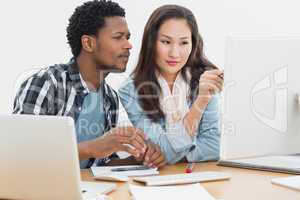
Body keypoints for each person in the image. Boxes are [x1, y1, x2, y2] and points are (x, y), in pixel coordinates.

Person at [13, 0, 165, 168]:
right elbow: (20, 152)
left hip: (86, 191)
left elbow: (100, 163)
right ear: (88, 43)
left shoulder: (110, 98)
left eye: (128, 38)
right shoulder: (47, 83)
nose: (128, 45)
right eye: (118, 37)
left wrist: (139, 159)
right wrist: (92, 148)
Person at [118, 4, 223, 164]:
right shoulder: (131, 91)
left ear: (193, 44)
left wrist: (174, 156)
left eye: (184, 43)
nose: (175, 53)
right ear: (151, 42)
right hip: (158, 181)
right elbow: (162, 149)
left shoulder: (204, 79)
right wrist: (200, 103)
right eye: (166, 42)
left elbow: (214, 146)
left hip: (201, 176)